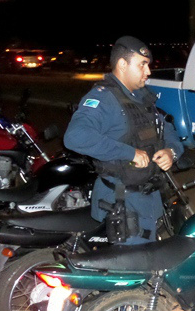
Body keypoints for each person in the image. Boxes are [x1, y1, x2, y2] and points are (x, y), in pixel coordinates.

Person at [64, 35, 183, 244]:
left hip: (148, 200)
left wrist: (171, 151)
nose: (148, 72)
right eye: (143, 65)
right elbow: (75, 137)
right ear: (122, 64)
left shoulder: (142, 98)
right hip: (122, 205)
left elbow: (167, 130)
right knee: (136, 270)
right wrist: (129, 153)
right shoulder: (104, 98)